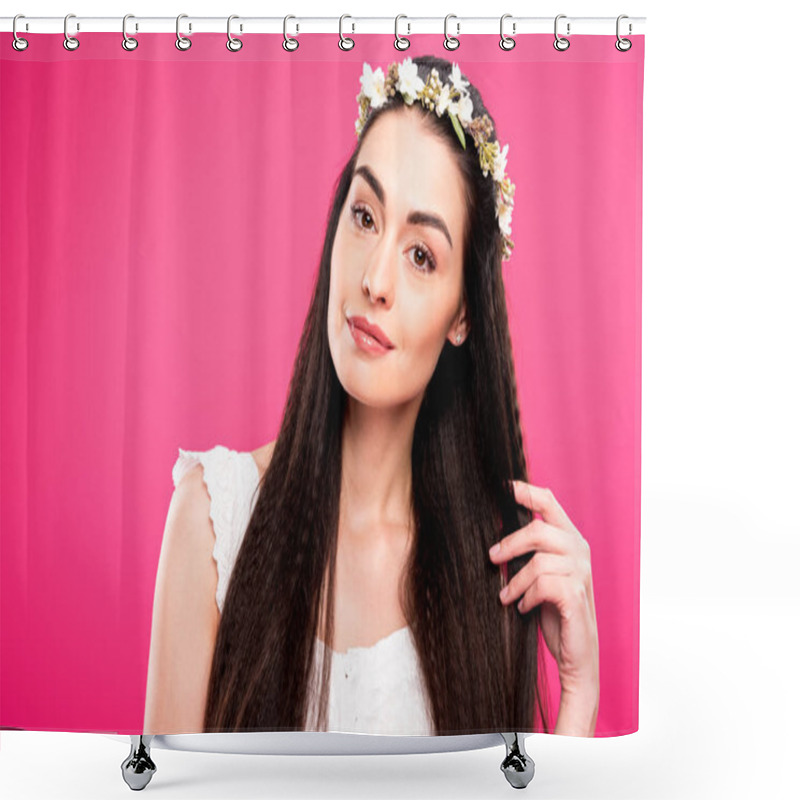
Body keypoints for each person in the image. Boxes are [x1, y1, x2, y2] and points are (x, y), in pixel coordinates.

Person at [144, 55, 599, 737]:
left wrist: (579, 693)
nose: (375, 278)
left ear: (462, 317)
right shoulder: (215, 521)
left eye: (422, 255)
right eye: (364, 216)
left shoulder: (494, 574)